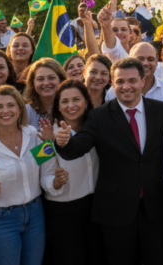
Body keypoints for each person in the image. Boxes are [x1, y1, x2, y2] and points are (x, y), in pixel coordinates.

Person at [54, 57, 163, 265]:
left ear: (143, 81)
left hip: (155, 207)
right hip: (115, 210)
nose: (126, 87)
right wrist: (64, 142)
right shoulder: (99, 116)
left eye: (132, 81)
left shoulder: (162, 110)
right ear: (113, 82)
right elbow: (79, 147)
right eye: (120, 81)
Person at [0, 85, 51, 265]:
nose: (5, 111)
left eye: (11, 105)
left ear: (20, 109)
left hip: (35, 214)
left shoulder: (34, 135)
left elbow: (48, 169)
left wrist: (50, 144)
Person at [43, 79, 102, 265]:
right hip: (63, 213)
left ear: (86, 102)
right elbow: (42, 177)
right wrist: (55, 182)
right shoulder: (45, 135)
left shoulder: (96, 130)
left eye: (76, 99)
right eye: (65, 101)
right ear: (58, 107)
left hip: (94, 209)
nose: (71, 106)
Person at [107, 42, 163, 115]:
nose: (145, 63)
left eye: (150, 59)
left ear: (156, 62)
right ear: (129, 60)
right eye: (140, 59)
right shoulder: (114, 92)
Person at [23, 58, 65, 126]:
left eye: (51, 78)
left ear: (60, 80)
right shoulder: (26, 112)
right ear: (32, 83)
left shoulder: (69, 107)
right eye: (40, 79)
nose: (46, 83)